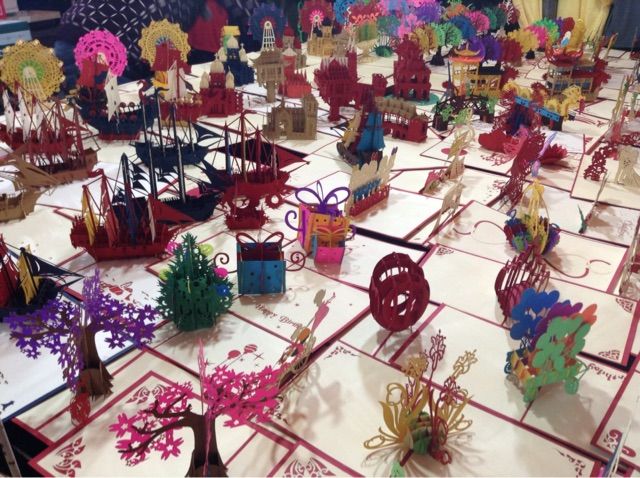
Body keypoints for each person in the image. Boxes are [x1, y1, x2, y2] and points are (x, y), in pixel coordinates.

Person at [54, 0, 209, 89]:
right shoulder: (185, 8)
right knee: (122, 113)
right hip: (98, 50)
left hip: (72, 32)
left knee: (88, 107)